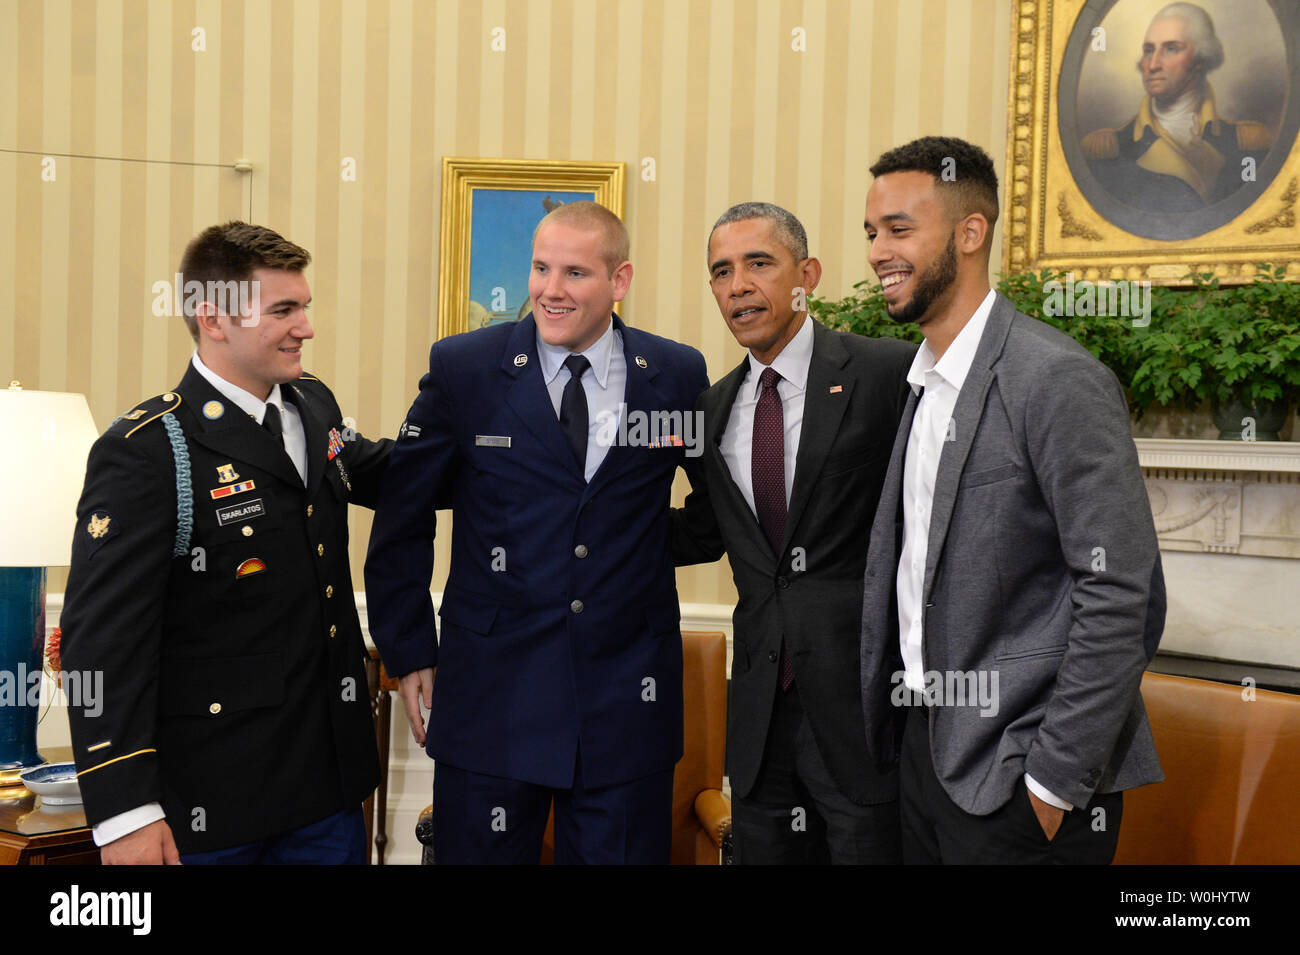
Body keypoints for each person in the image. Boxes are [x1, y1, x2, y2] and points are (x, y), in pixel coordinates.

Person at [364, 201, 709, 864]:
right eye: (541, 267)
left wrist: (639, 547)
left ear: (620, 279)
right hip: (490, 701)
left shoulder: (674, 375)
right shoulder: (466, 368)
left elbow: (718, 506)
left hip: (624, 711)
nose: (551, 290)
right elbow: (403, 514)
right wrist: (408, 650)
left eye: (575, 272)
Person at [859, 137, 1166, 864]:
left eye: (900, 229)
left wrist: (1052, 785)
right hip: (926, 756)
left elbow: (1123, 592)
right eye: (871, 232)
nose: (877, 251)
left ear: (972, 233)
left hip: (1019, 782)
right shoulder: (922, 379)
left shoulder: (1055, 377)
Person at [61, 221, 392, 864]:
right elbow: (100, 644)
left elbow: (385, 471)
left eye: (305, 307)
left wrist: (519, 446)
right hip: (211, 810)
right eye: (283, 310)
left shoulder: (312, 405)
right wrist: (123, 812)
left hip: (327, 794)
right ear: (213, 319)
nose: (306, 327)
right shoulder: (150, 451)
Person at [671, 202, 914, 864]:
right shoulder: (710, 409)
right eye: (721, 271)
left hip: (865, 714)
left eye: (759, 263)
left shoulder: (890, 374)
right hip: (759, 721)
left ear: (806, 273)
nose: (738, 285)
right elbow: (703, 532)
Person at [1083, 2, 1273, 212]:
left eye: (1171, 49)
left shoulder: (1247, 143)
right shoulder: (1109, 149)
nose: (1153, 65)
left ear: (1200, 59)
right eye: (1148, 50)